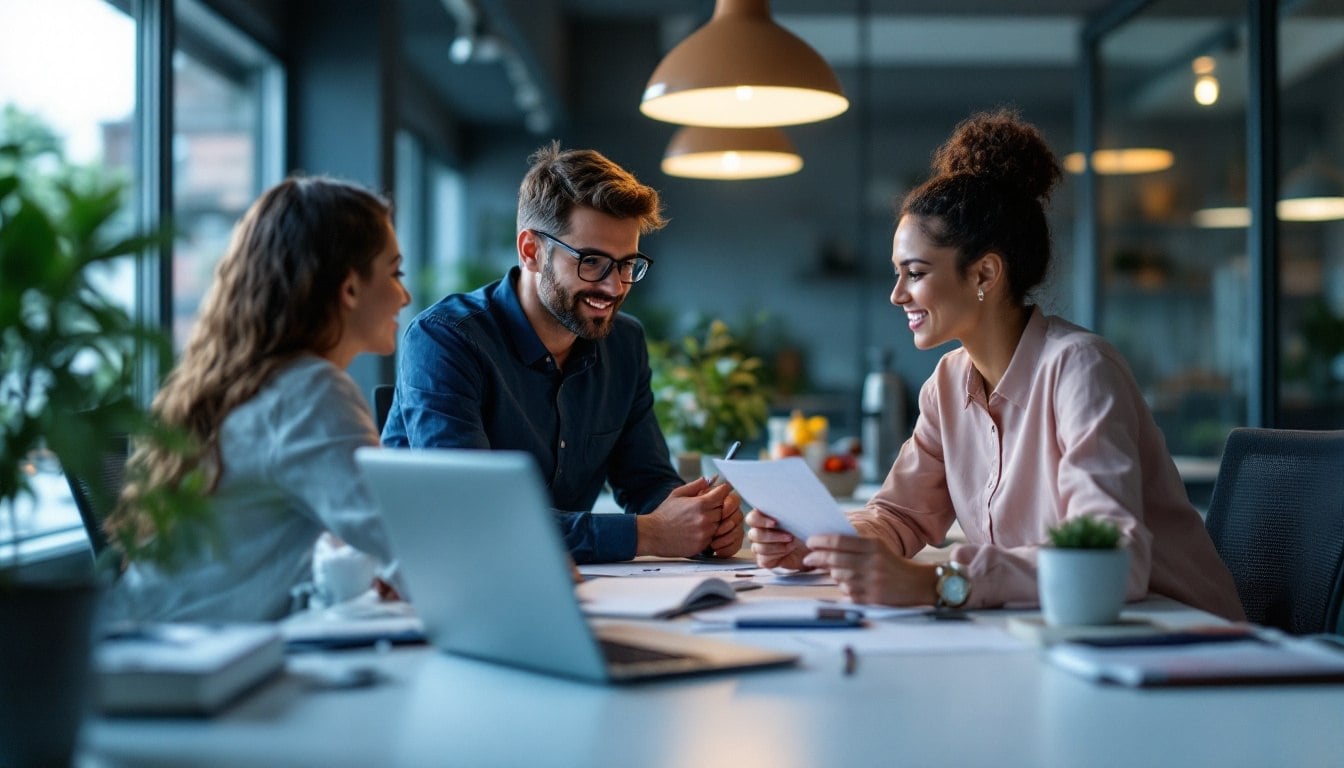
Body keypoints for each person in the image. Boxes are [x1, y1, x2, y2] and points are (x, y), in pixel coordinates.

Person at [747, 110, 1244, 620]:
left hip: (1178, 639)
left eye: (914, 273)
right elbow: (900, 514)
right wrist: (817, 544)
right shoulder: (948, 382)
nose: (897, 295)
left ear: (984, 272)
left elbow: (1112, 557)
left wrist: (940, 582)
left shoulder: (1080, 369)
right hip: (1063, 636)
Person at [381, 142, 743, 564]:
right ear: (531, 251)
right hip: (438, 581)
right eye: (592, 262)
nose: (614, 287)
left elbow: (646, 481)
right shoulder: (445, 339)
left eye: (627, 264)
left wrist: (701, 519)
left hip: (568, 584)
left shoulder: (623, 343)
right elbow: (474, 516)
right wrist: (649, 534)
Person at [105, 176, 411, 622]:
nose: (404, 295)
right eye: (394, 272)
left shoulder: (246, 383)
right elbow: (408, 549)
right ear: (349, 288)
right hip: (190, 672)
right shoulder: (309, 390)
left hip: (159, 649)